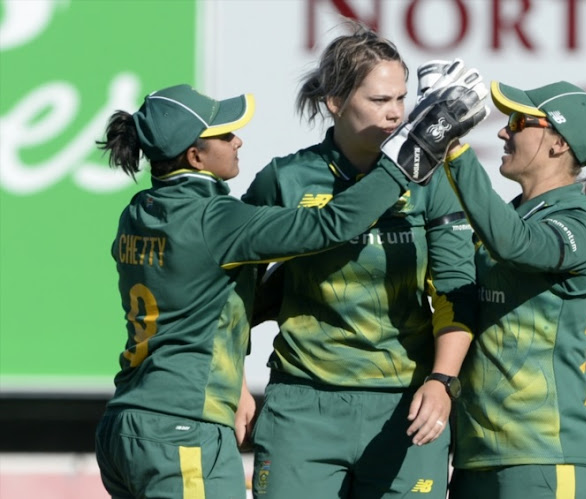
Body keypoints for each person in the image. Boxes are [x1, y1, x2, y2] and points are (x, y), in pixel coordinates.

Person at [93, 83, 422, 499]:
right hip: (183, 425)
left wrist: (238, 386)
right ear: (195, 156)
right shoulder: (216, 218)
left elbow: (211, 300)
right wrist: (407, 158)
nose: (238, 140)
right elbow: (331, 225)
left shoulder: (137, 211)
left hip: (124, 422)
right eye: (225, 134)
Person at [242, 24, 477, 498]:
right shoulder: (284, 179)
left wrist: (441, 381)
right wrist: (232, 380)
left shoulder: (432, 182)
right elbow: (231, 291)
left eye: (401, 99)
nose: (395, 115)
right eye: (378, 100)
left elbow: (456, 290)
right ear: (334, 101)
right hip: (301, 406)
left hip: (405, 407)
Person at [400, 77, 586, 498]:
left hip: (548, 458)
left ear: (559, 144)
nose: (502, 130)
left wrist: (454, 147)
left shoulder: (579, 225)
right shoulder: (510, 216)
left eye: (518, 122)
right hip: (477, 456)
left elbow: (514, 243)